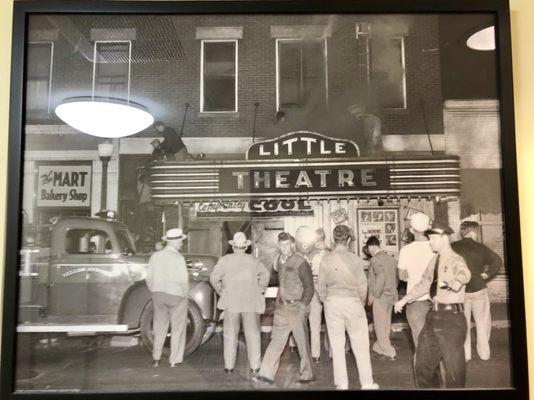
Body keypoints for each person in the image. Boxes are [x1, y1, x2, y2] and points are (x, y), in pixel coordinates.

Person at [394, 223, 471, 388]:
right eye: (429, 238)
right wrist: (405, 299)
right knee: (423, 365)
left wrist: (458, 281)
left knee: (453, 371)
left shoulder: (456, 259)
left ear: (444, 238)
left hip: (451, 319)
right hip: (433, 316)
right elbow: (423, 283)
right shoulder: (434, 260)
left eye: (433, 238)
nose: (430, 242)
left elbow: (464, 272)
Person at [317, 225, 379, 390]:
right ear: (349, 240)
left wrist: (326, 300)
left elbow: (320, 286)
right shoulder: (355, 259)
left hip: (332, 303)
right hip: (352, 303)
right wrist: (359, 302)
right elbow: (362, 286)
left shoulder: (326, 259)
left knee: (336, 345)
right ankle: (366, 383)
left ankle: (342, 384)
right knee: (360, 344)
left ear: (333, 239)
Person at [253, 232, 315, 385]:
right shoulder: (278, 261)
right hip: (281, 308)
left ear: (292, 244)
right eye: (282, 245)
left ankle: (307, 374)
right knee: (276, 341)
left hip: (297, 307)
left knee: (302, 343)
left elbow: (309, 287)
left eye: (287, 244)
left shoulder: (301, 262)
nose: (285, 247)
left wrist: (302, 305)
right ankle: (266, 374)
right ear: (278, 245)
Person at [209, 232, 270, 375]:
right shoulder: (253, 261)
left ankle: (229, 367)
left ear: (233, 247)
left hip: (231, 303)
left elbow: (213, 278)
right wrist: (259, 290)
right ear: (245, 247)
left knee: (230, 335)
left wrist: (222, 292)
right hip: (250, 303)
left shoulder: (224, 260)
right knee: (253, 335)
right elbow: (265, 275)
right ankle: (255, 367)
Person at [451, 221, 502, 361]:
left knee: (463, 322)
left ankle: (466, 355)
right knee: (482, 321)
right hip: (478, 287)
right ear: (473, 231)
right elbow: (497, 261)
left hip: (460, 290)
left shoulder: (453, 247)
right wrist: (486, 275)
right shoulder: (481, 248)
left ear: (462, 232)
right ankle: (484, 354)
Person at [145, 228, 189, 368]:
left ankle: (156, 358)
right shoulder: (179, 258)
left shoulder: (155, 256)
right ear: (175, 242)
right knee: (178, 329)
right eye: (181, 241)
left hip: (158, 294)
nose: (182, 244)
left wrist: (155, 291)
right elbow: (184, 280)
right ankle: (174, 360)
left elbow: (149, 278)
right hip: (176, 295)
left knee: (159, 327)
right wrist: (184, 295)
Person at [397, 212, 435, 348]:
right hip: (437, 300)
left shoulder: (406, 250)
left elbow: (402, 276)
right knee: (439, 344)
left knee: (421, 345)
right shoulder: (437, 248)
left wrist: (412, 277)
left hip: (415, 302)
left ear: (412, 230)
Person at [366, 236, 398, 360]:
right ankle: (380, 346)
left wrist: (373, 295)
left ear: (371, 247)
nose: (369, 252)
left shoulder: (375, 259)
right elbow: (396, 277)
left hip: (380, 296)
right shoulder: (391, 259)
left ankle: (389, 351)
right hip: (391, 295)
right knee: (386, 323)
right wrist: (393, 289)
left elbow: (380, 277)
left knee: (379, 324)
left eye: (368, 249)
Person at [308, 228, 330, 362]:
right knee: (331, 320)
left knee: (314, 321)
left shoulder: (310, 253)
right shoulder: (330, 252)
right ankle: (331, 350)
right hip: (327, 287)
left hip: (315, 285)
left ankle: (316, 354)